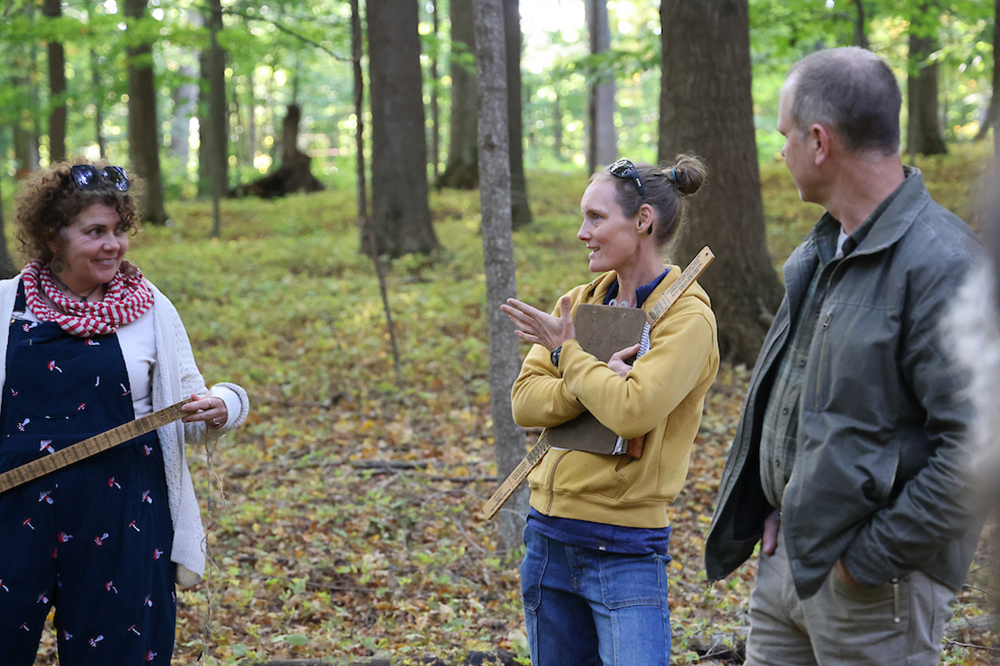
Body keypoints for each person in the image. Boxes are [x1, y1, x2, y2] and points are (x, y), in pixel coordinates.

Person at [704, 47, 984, 666]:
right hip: (788, 568)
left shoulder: (944, 264)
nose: (782, 152)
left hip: (876, 591)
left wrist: (865, 563)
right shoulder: (825, 249)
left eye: (785, 135)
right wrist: (783, 511)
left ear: (819, 141)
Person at [0, 163, 250, 665]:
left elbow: (191, 412)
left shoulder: (151, 309)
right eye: (95, 232)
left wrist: (226, 404)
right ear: (53, 236)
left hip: (124, 517)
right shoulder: (6, 304)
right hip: (12, 511)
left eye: (118, 230)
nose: (113, 244)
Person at [501, 155, 720, 666]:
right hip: (549, 537)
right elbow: (525, 402)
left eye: (596, 218)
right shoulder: (577, 304)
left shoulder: (687, 318)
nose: (582, 233)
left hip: (624, 548)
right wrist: (587, 375)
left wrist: (569, 357)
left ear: (642, 220)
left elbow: (631, 411)